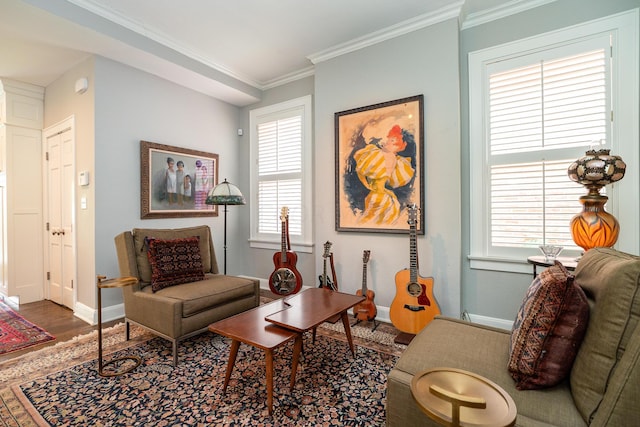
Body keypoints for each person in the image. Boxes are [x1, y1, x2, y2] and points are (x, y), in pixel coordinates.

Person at [353, 124, 414, 224]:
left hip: (379, 196)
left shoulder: (385, 157)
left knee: (370, 221)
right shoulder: (384, 156)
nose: (388, 142)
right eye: (389, 139)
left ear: (399, 146)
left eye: (393, 141)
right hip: (379, 194)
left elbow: (363, 169)